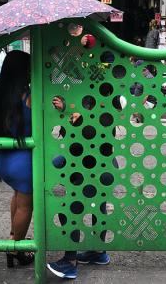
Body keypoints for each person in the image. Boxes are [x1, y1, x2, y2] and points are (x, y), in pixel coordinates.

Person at [47, 96, 111, 279]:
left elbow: (85, 137)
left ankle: (69, 262)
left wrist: (71, 115)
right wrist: (66, 111)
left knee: (70, 208)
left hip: (91, 168)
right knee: (99, 208)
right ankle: (98, 253)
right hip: (96, 166)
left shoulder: (99, 113)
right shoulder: (103, 105)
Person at [0, 50, 34, 267]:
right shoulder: (28, 97)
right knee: (26, 206)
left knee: (16, 197)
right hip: (24, 161)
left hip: (2, 160)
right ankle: (15, 248)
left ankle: (13, 236)